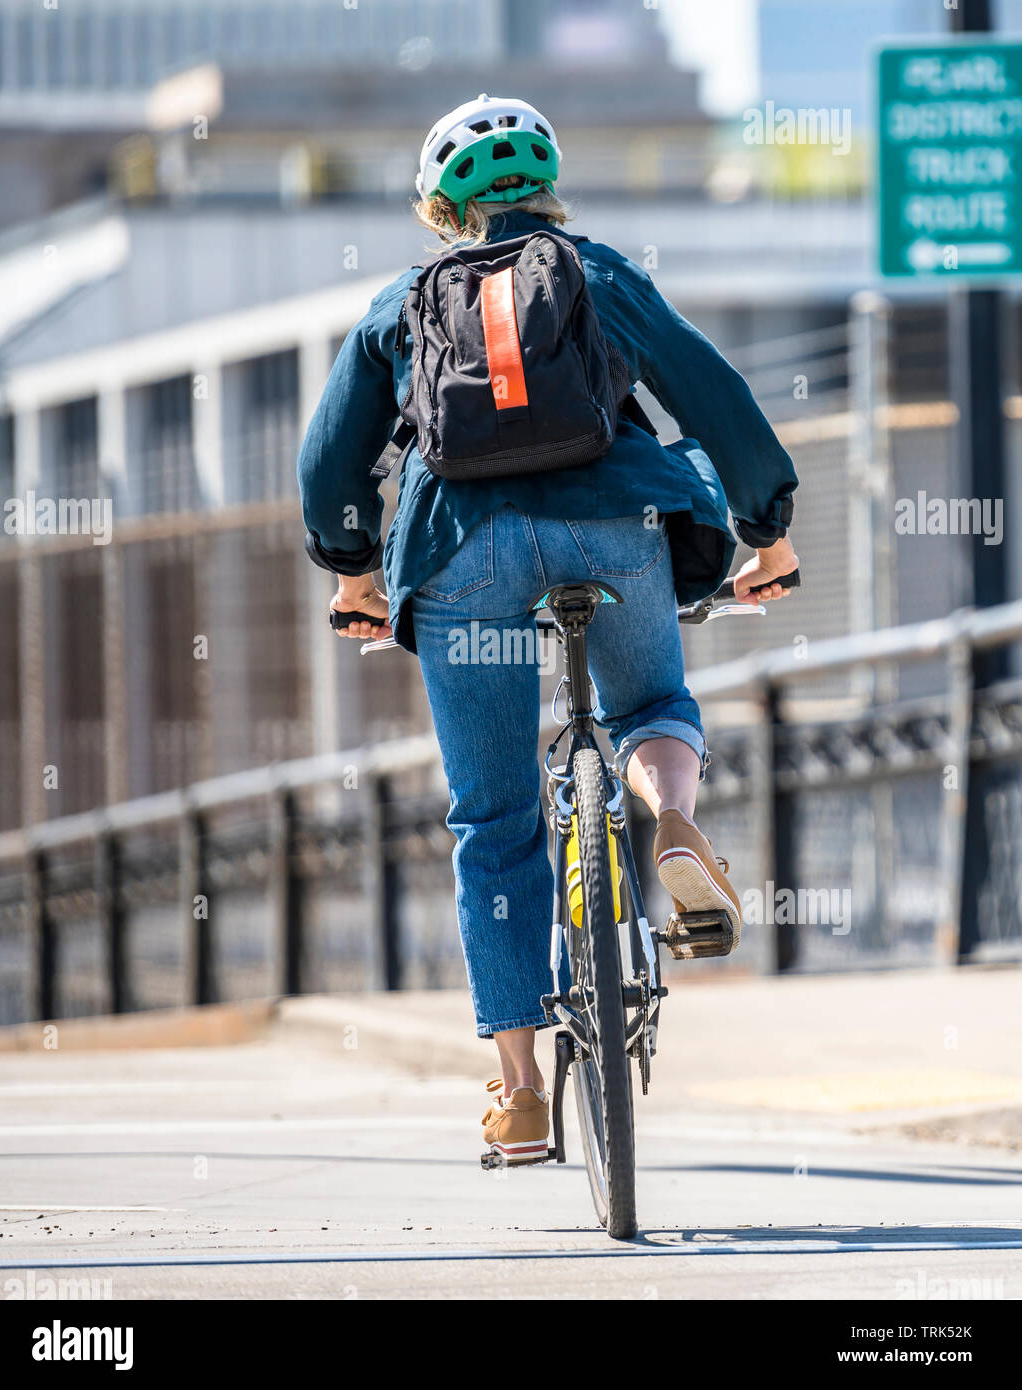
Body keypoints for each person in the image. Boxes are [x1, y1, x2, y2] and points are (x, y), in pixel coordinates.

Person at [298, 95, 798, 1164]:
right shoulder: (598, 273)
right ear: (547, 187)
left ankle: (520, 1093)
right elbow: (714, 396)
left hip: (459, 554)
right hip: (611, 532)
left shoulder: (402, 300)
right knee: (651, 704)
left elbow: (327, 462)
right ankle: (668, 821)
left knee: (492, 817)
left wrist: (353, 571)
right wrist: (767, 531)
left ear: (443, 207)